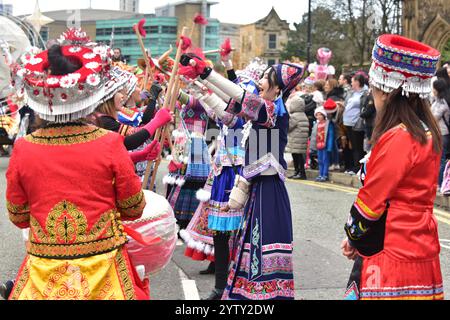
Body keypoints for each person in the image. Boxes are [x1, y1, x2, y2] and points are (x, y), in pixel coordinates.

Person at [6, 39, 149, 300]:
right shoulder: (109, 143)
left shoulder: (24, 148)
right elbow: (134, 207)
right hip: (104, 271)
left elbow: (18, 215)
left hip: (44, 271)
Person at [179, 53, 304, 300]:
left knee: (260, 242)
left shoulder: (271, 111)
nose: (260, 83)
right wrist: (200, 83)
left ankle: (263, 294)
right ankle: (251, 291)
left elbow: (238, 97)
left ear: (277, 88)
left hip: (268, 189)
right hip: (258, 187)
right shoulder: (265, 111)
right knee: (250, 242)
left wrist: (206, 72)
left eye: (266, 79)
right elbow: (228, 105)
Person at [342, 34, 443, 300]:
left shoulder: (399, 137)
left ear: (387, 91)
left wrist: (352, 236)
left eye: (374, 90)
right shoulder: (427, 132)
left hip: (392, 249)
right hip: (420, 246)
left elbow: (371, 201)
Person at [343, 74, 368, 175]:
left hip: (357, 123)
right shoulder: (351, 92)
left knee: (358, 147)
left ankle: (358, 168)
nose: (351, 83)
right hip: (348, 122)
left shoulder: (365, 92)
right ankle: (353, 166)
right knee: (352, 146)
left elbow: (364, 107)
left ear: (358, 82)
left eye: (353, 81)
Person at [431, 79, 450, 188]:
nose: (432, 90)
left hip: (443, 134)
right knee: (437, 158)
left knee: (441, 159)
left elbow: (433, 117)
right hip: (438, 134)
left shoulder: (442, 103)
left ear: (438, 89)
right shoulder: (436, 101)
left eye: (434, 88)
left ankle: (441, 183)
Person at [286, 93, 309, 180]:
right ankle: (300, 172)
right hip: (300, 140)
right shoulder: (303, 115)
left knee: (296, 158)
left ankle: (299, 172)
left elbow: (289, 127)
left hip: (295, 140)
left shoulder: (295, 116)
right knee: (299, 157)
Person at [310, 107, 334, 182]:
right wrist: (312, 146)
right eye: (317, 115)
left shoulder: (328, 124)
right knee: (320, 160)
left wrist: (329, 147)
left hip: (325, 145)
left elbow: (330, 135)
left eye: (320, 114)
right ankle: (320, 174)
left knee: (325, 160)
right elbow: (314, 136)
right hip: (318, 145)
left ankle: (325, 175)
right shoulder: (316, 124)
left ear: (324, 115)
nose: (319, 116)